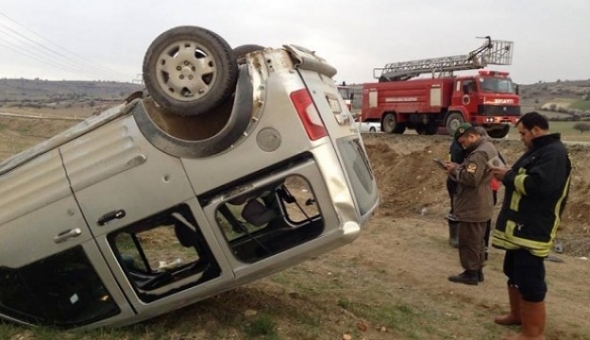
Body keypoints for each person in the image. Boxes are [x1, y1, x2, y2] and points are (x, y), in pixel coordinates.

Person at [490, 112, 572, 339]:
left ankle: (533, 333)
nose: (522, 138)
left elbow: (538, 185)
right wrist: (509, 173)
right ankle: (517, 315)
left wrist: (507, 175)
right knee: (513, 271)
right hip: (519, 227)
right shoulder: (538, 151)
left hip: (533, 228)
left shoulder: (554, 153)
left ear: (536, 129)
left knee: (530, 280)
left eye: (523, 133)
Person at [444, 123, 500, 285]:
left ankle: (471, 273)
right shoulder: (489, 147)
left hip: (473, 203)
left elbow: (471, 179)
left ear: (472, 136)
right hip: (483, 200)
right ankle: (477, 270)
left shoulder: (478, 154)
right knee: (478, 239)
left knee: (469, 239)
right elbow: (495, 169)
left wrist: (455, 171)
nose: (463, 145)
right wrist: (460, 167)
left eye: (463, 142)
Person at [445, 137, 465, 247]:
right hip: (455, 180)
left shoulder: (458, 145)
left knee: (457, 207)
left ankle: (457, 236)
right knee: (455, 207)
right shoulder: (457, 148)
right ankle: (453, 237)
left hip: (456, 179)